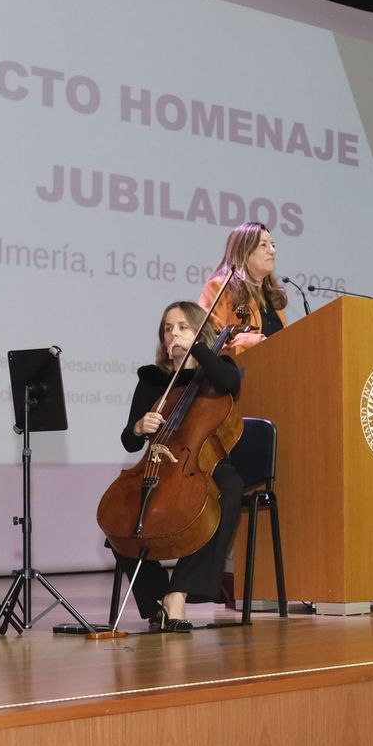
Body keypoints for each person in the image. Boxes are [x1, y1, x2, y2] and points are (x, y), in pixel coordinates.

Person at [113, 301, 246, 631]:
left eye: (183, 327)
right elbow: (129, 442)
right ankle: (156, 599)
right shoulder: (152, 380)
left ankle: (178, 593)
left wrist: (199, 350)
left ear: (200, 332)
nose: (173, 333)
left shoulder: (218, 372)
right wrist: (138, 427)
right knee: (120, 518)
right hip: (159, 465)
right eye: (168, 328)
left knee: (229, 491)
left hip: (205, 464)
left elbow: (230, 383)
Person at [198, 222, 289, 352]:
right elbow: (209, 337)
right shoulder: (220, 287)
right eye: (264, 245)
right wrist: (251, 341)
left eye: (273, 245)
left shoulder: (272, 296)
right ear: (244, 251)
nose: (273, 251)